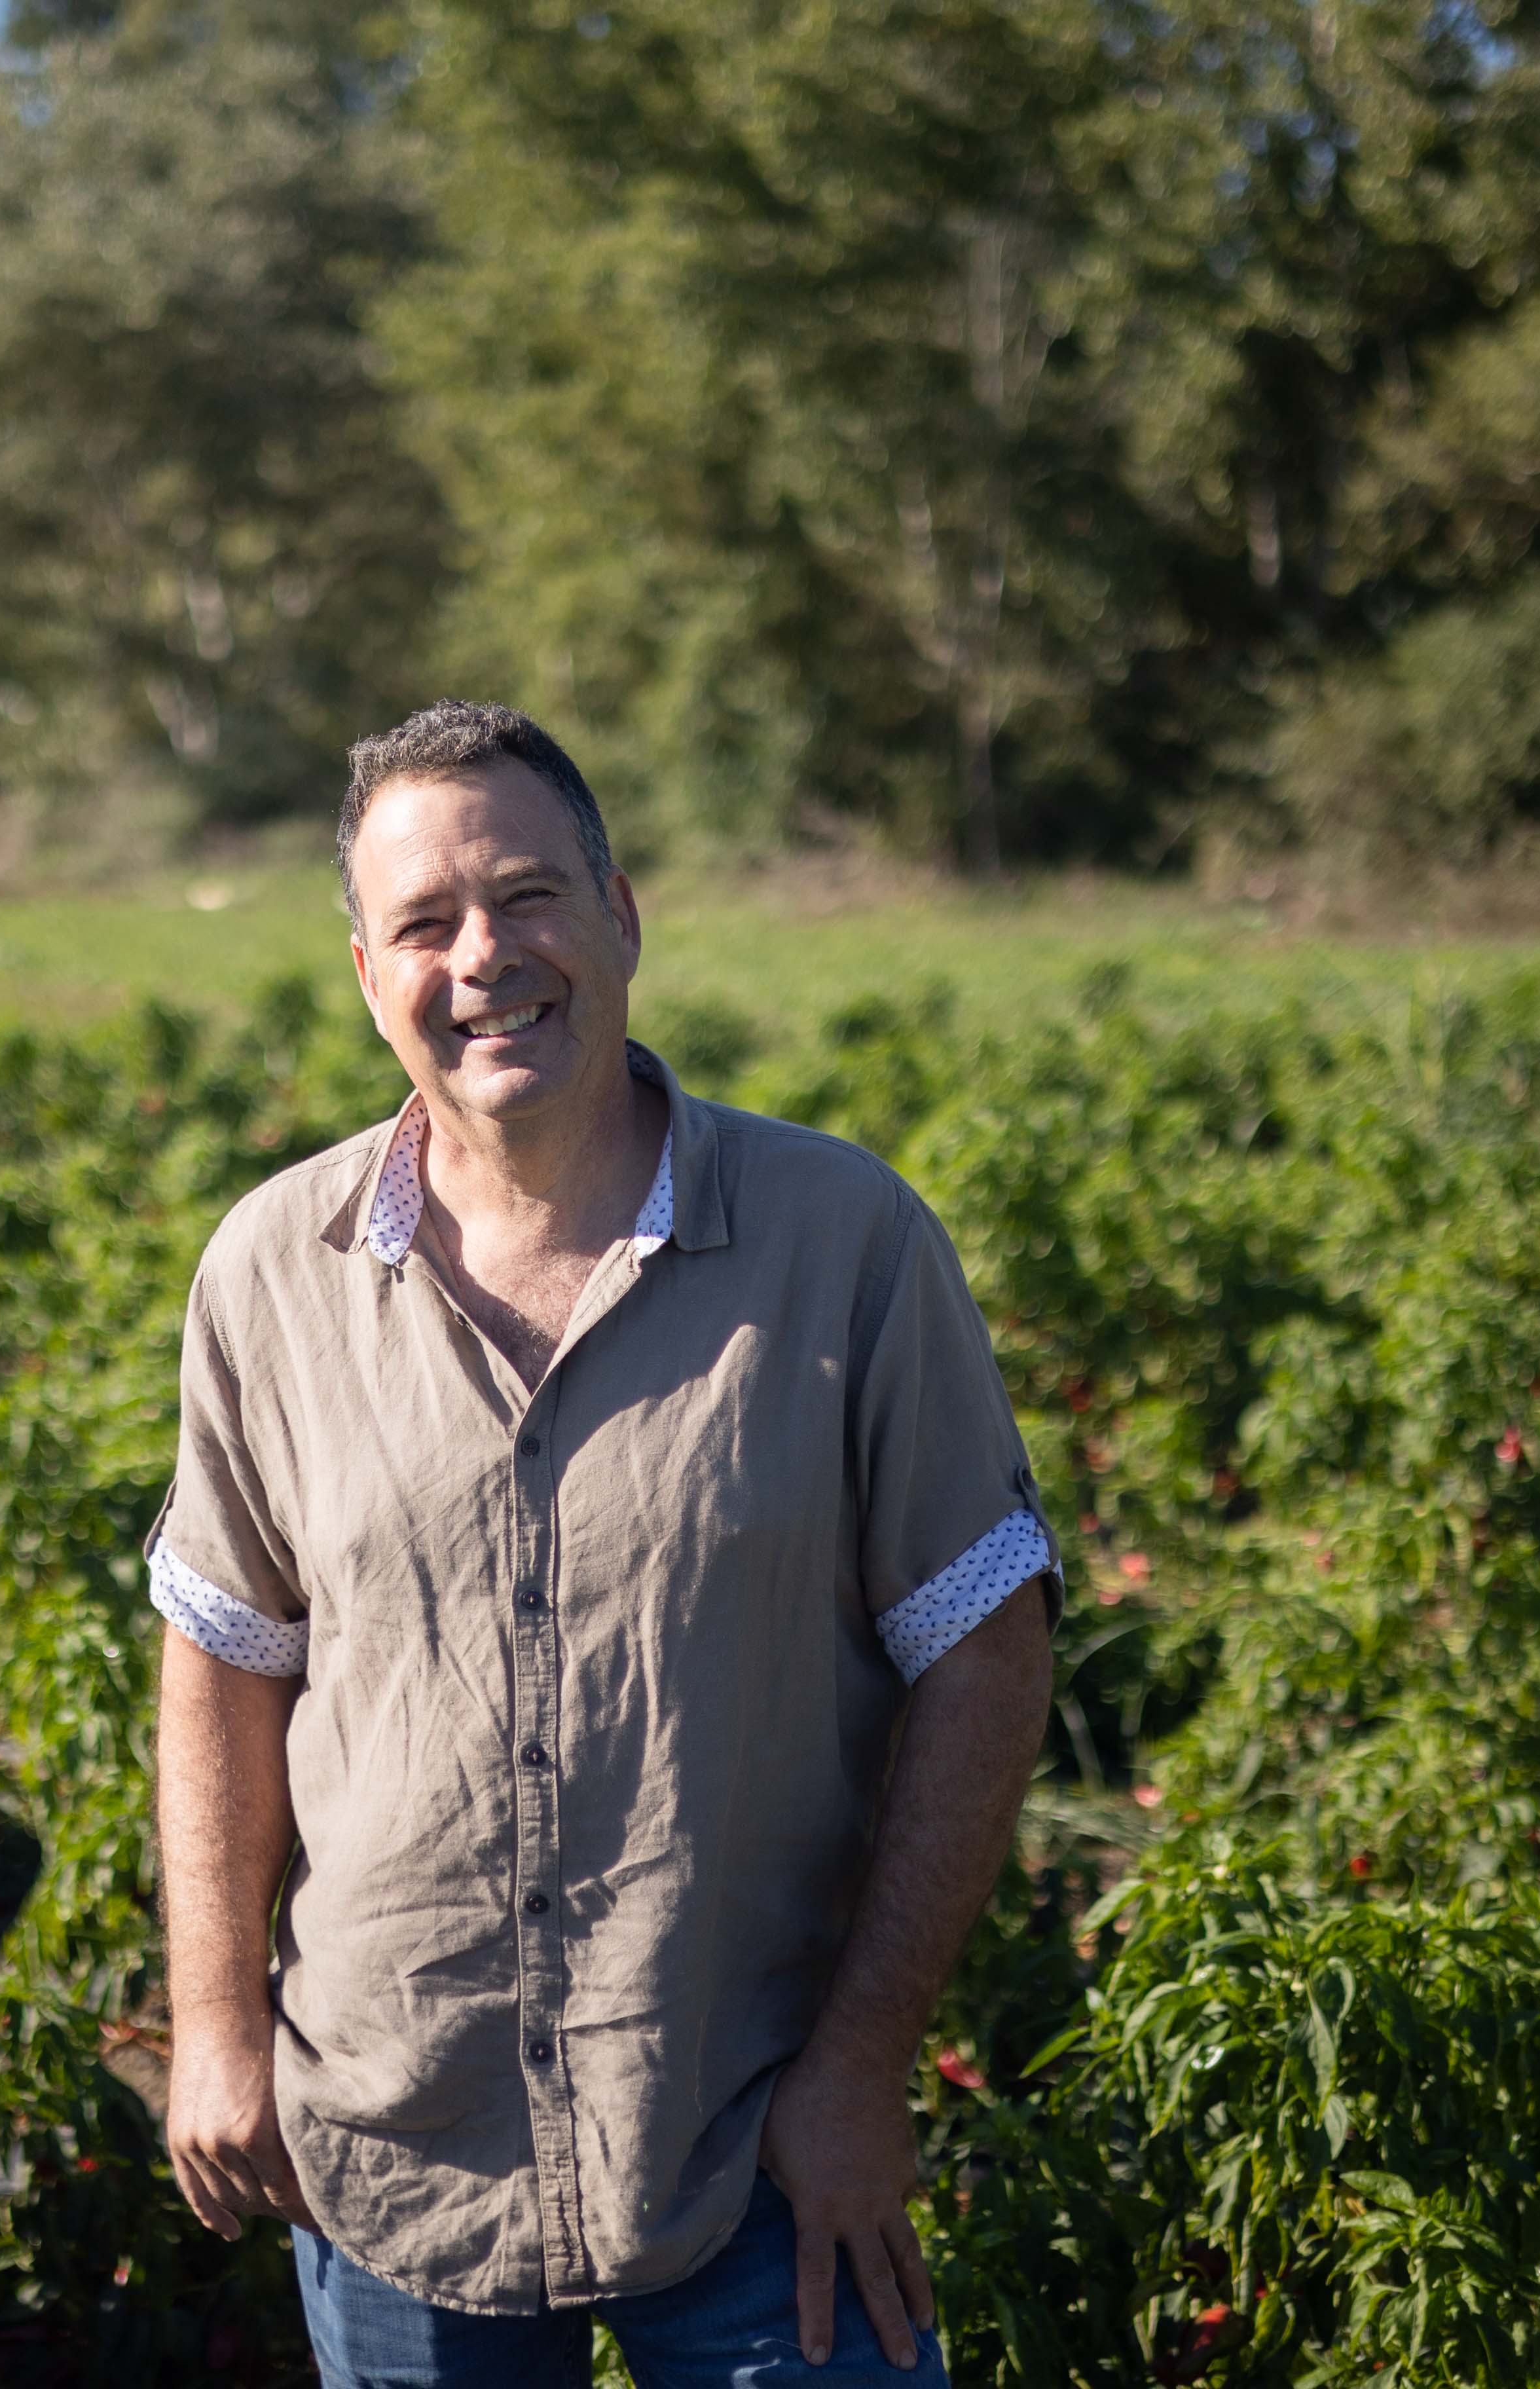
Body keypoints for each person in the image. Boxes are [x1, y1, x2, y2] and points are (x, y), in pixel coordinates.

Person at [150, 701, 1062, 2386]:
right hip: (401, 2147)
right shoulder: (270, 1271)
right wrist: (211, 2026)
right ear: (369, 976)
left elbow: (988, 1645)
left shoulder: (842, 1241)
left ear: (623, 915)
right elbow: (225, 1657)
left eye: (528, 897)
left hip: (756, 2141)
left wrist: (863, 2067)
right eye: (425, 924)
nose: (484, 956)